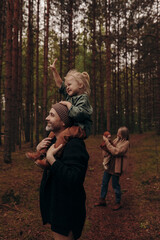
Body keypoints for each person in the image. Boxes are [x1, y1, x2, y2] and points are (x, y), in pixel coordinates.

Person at [26, 58, 92, 168]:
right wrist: (54, 71)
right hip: (72, 126)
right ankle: (40, 152)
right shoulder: (69, 95)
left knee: (63, 135)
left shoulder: (83, 99)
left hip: (80, 128)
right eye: (67, 86)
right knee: (52, 134)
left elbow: (80, 114)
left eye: (70, 84)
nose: (67, 87)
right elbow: (60, 84)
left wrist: (69, 106)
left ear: (80, 85)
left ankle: (49, 160)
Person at [39, 103, 89, 240]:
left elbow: (74, 178)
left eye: (52, 115)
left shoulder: (75, 145)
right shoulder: (55, 142)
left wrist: (51, 159)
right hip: (56, 207)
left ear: (63, 122)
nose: (46, 118)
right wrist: (42, 154)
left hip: (66, 212)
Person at [95, 126, 130, 210]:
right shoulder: (116, 139)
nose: (117, 133)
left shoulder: (126, 143)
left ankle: (118, 202)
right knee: (104, 182)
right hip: (109, 164)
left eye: (119, 132)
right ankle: (102, 199)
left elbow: (116, 152)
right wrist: (106, 142)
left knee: (115, 185)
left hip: (116, 167)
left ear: (123, 134)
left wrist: (107, 142)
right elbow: (109, 148)